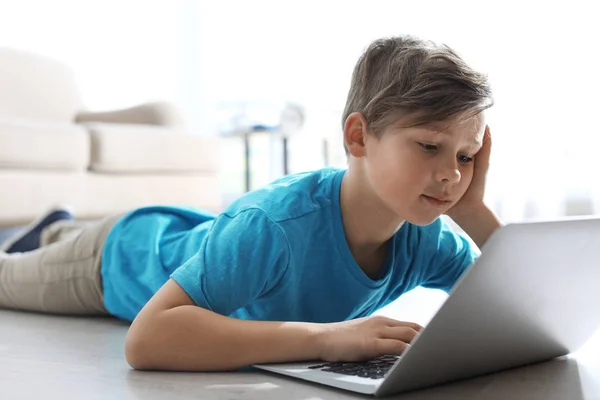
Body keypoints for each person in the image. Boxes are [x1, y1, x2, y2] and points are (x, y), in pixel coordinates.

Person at [0, 34, 501, 372]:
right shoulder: (276, 225)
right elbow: (147, 339)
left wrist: (474, 214)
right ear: (359, 136)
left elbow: (523, 312)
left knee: (59, 237)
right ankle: (54, 233)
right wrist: (326, 339)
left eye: (467, 155)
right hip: (115, 260)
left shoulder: (431, 236)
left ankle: (54, 226)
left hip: (188, 237)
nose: (452, 173)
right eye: (430, 146)